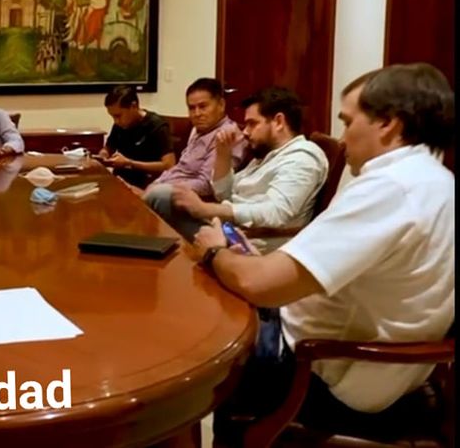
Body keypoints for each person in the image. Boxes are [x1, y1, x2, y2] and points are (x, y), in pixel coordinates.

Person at [185, 64, 454, 446]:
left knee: (197, 350)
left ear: (388, 124)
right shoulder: (435, 180)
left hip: (321, 369)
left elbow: (258, 285)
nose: (342, 138)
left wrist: (215, 251)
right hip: (369, 364)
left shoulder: (392, 188)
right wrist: (250, 258)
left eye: (348, 122)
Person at [149, 86, 328, 239]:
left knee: (161, 196)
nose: (246, 132)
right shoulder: (266, 156)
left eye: (252, 124)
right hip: (228, 227)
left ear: (279, 122)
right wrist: (223, 155)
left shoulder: (302, 158)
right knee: (161, 198)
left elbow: (277, 213)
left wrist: (205, 209)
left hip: (251, 240)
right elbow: (224, 194)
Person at [142, 78, 246, 196]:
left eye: (203, 106)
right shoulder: (198, 130)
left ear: (221, 105)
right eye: (192, 108)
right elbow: (180, 168)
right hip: (164, 190)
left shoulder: (228, 134)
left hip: (184, 198)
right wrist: (155, 185)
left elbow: (206, 185)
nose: (197, 114)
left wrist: (159, 190)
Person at [98, 84, 175, 188]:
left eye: (118, 116)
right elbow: (108, 148)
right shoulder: (120, 125)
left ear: (133, 106)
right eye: (112, 117)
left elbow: (169, 165)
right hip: (119, 180)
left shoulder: (157, 125)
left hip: (146, 184)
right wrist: (103, 155)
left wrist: (130, 163)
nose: (116, 121)